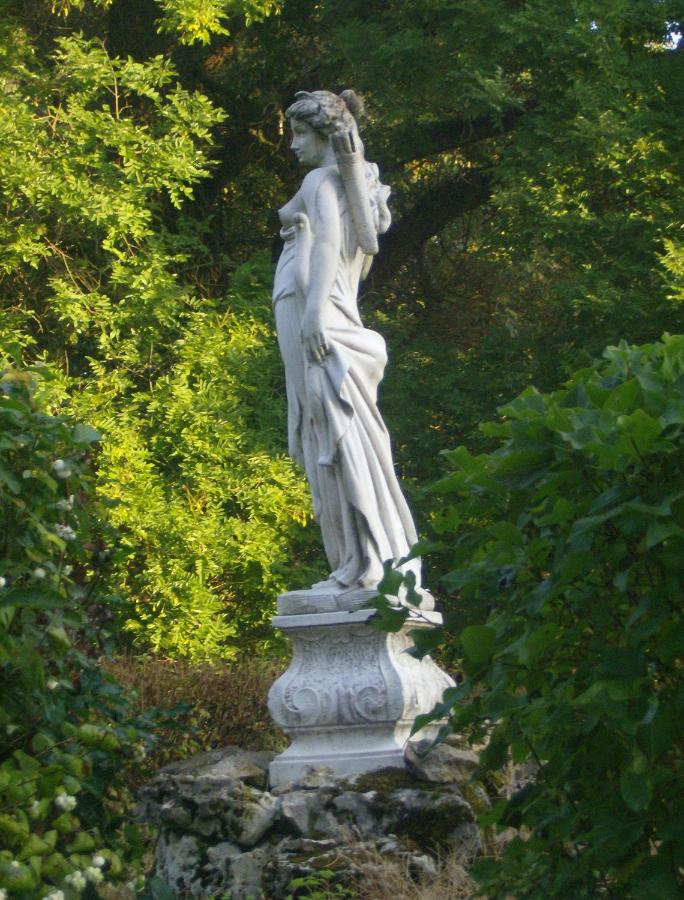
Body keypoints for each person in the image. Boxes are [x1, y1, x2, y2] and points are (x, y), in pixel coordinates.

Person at [273, 89, 421, 594]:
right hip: (314, 312)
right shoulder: (345, 186)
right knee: (328, 434)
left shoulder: (322, 180)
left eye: (300, 134)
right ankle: (359, 560)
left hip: (316, 317)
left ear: (325, 135)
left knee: (333, 434)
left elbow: (330, 244)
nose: (293, 145)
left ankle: (365, 559)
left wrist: (314, 312)